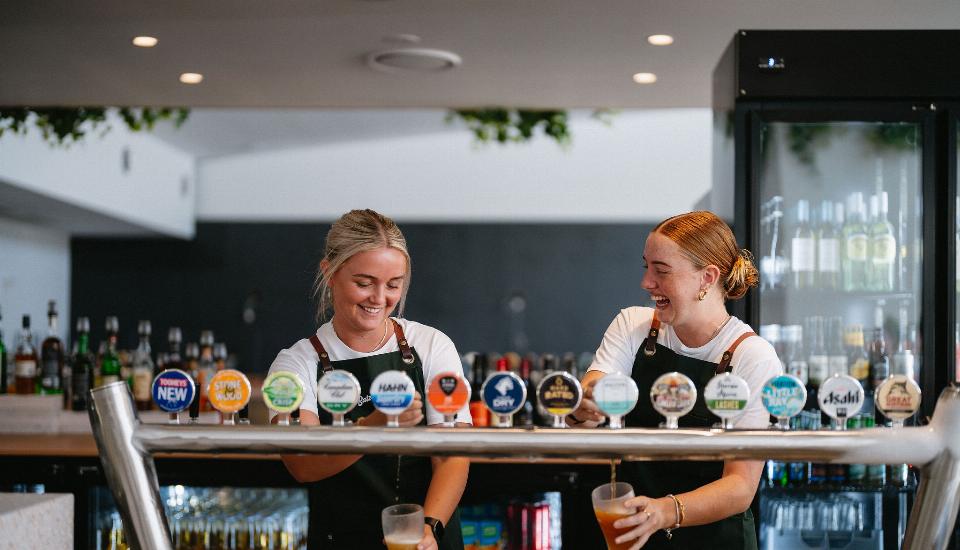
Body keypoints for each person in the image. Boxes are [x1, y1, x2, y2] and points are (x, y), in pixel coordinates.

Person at [569, 211, 781, 550]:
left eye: (661, 271)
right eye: (646, 267)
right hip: (631, 528)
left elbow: (741, 485)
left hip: (714, 540)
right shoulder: (634, 325)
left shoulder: (752, 356)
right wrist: (585, 404)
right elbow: (596, 386)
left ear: (707, 278)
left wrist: (664, 512)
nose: (646, 283)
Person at [268, 209, 471, 550]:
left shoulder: (431, 345)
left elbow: (452, 454)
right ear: (329, 272)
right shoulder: (295, 364)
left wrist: (429, 528)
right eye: (364, 283)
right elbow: (301, 463)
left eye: (393, 285)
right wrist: (375, 426)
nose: (379, 299)